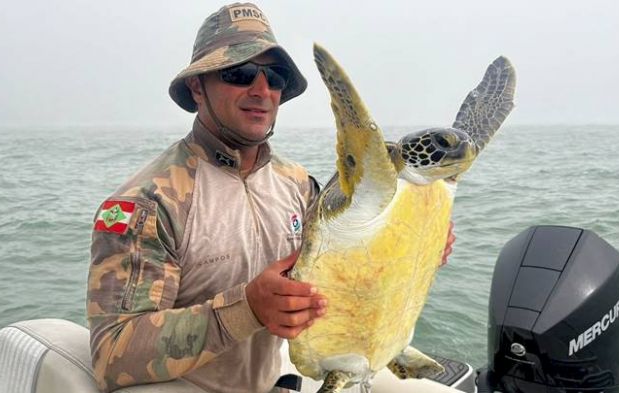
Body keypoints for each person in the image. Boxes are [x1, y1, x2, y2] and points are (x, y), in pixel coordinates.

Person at [86, 3, 454, 393]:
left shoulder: (296, 184)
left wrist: (417, 249)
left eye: (274, 77)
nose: (261, 90)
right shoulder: (150, 202)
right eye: (240, 73)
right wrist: (245, 309)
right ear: (197, 87)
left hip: (279, 379)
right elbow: (113, 353)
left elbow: (341, 270)